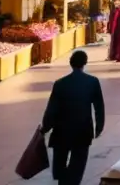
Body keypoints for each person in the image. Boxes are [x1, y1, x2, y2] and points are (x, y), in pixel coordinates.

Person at [41, 50, 104, 185]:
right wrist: (99, 127)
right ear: (85, 63)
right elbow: (99, 107)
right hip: (83, 130)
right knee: (78, 163)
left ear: (71, 64)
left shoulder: (60, 84)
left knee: (60, 161)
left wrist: (45, 128)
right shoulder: (92, 82)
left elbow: (52, 109)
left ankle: (63, 180)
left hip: (61, 131)